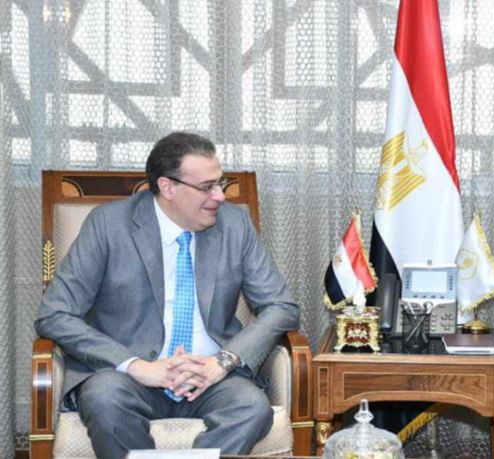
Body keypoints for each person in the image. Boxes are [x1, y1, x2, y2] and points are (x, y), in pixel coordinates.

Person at [35, 132, 300, 459]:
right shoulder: (108, 225)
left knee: (251, 408)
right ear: (168, 187)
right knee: (104, 400)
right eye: (207, 187)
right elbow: (54, 314)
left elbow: (281, 306)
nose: (219, 196)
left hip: (212, 378)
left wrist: (222, 362)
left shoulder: (234, 225)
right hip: (129, 377)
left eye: (220, 183)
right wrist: (136, 366)